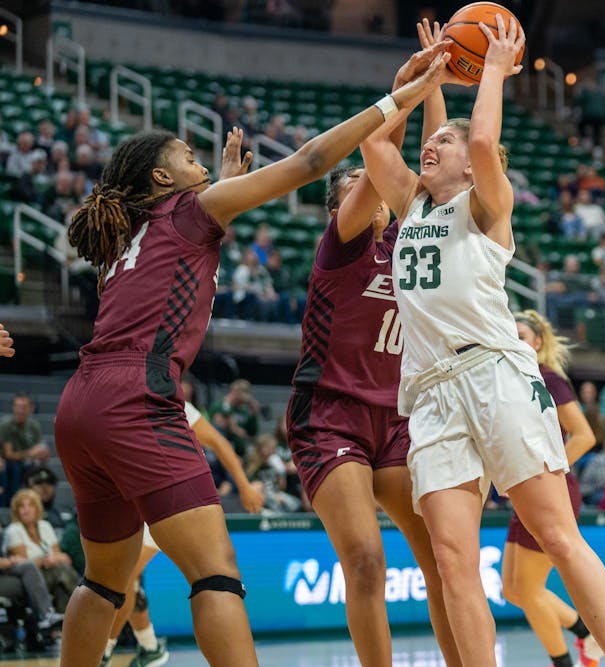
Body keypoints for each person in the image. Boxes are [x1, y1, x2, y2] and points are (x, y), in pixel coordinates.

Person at [51, 43, 448, 667]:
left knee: (104, 579)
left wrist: (226, 182)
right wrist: (397, 98)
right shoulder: (192, 209)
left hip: (81, 404)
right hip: (138, 396)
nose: (200, 165)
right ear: (162, 180)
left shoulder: (134, 233)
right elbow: (312, 159)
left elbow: (182, 253)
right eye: (188, 158)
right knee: (216, 575)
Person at [359, 15, 605, 667]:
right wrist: (415, 79)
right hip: (429, 394)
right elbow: (377, 146)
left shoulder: (487, 206)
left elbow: (483, 141)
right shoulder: (412, 205)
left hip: (495, 375)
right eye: (436, 139)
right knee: (454, 563)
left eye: (445, 141)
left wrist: (490, 67)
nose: (437, 144)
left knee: (557, 534)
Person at [285, 23, 462, 664]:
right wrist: (412, 87)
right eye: (359, 181)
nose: (374, 184)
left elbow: (428, 165)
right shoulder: (343, 240)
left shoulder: (416, 242)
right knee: (364, 560)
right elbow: (383, 154)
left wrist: (435, 84)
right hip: (329, 407)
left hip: (397, 415)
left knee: (446, 558)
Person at [101, 400, 265, 667]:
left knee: (126, 574)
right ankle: (148, 645)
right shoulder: (120, 397)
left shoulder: (169, 399)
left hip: (173, 495)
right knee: (128, 579)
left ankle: (105, 651)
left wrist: (245, 486)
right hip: (136, 498)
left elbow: (220, 443)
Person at [502, 309, 603, 667]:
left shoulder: (547, 377)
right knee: (512, 590)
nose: (514, 342)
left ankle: (569, 655)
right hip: (524, 490)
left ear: (538, 343)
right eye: (509, 334)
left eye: (522, 337)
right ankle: (585, 633)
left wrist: (550, 471)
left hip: (551, 490)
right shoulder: (507, 379)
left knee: (528, 590)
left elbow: (585, 436)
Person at [5, 489, 79, 613]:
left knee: (62, 585)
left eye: (30, 505)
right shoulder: (13, 530)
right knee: (62, 572)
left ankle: (62, 626)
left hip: (54, 572)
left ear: (37, 508)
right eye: (21, 506)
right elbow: (23, 564)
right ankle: (84, 606)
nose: (26, 510)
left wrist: (54, 559)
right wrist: (47, 560)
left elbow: (58, 554)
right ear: (16, 510)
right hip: (33, 578)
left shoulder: (45, 526)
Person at [1, 393, 51, 504]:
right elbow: (8, 454)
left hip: (28, 462)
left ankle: (42, 507)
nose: (20, 410)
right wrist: (30, 453)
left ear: (30, 409)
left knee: (45, 473)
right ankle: (13, 505)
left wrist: (43, 454)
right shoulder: (6, 425)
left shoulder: (34, 426)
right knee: (15, 468)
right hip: (9, 462)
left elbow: (39, 450)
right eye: (17, 406)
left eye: (23, 407)